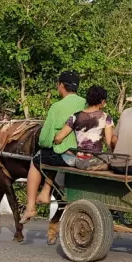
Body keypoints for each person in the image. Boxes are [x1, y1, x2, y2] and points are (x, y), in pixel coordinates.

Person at [21, 71, 86, 223]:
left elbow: (44, 139)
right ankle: (45, 191)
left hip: (68, 155)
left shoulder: (57, 107)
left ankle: (30, 206)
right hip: (88, 154)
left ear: (61, 85)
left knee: (37, 159)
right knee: (50, 155)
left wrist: (48, 142)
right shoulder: (86, 103)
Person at [53, 85, 115, 171]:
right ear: (102, 101)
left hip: (79, 161)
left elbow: (58, 138)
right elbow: (109, 144)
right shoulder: (106, 117)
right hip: (95, 161)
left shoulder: (75, 116)